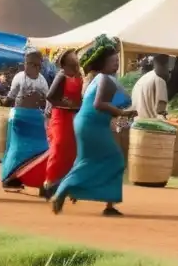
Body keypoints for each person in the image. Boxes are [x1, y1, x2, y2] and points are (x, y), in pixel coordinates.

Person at [52, 35, 137, 216]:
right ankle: (66, 188)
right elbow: (99, 104)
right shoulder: (104, 79)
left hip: (87, 124)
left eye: (117, 61)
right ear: (102, 63)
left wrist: (120, 109)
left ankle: (78, 191)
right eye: (112, 61)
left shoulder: (97, 79)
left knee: (87, 160)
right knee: (114, 160)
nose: (116, 64)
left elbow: (105, 102)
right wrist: (123, 113)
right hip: (92, 125)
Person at [0, 49, 50, 192]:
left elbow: (47, 101)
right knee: (17, 149)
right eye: (30, 64)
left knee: (40, 149)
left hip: (36, 119)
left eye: (37, 65)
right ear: (25, 64)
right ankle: (10, 179)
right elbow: (11, 97)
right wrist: (4, 100)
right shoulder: (19, 77)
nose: (33, 67)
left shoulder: (42, 81)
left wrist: (44, 107)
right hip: (20, 118)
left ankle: (38, 180)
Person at [41, 48, 84, 200]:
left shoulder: (79, 76)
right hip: (60, 116)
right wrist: (64, 103)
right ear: (66, 61)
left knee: (71, 150)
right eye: (73, 55)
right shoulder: (62, 76)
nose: (76, 57)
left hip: (73, 116)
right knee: (58, 146)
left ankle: (66, 184)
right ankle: (49, 182)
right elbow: (50, 97)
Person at [132, 54, 170, 120]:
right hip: (151, 125)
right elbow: (161, 110)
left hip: (137, 123)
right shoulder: (160, 81)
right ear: (165, 65)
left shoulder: (143, 79)